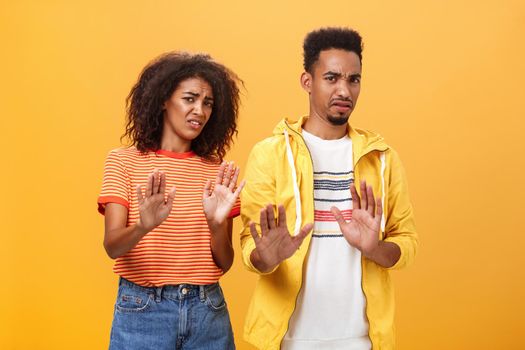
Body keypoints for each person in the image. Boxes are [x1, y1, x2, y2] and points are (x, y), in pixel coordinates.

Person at [240, 27, 418, 349]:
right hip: (289, 340)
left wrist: (373, 248)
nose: (344, 90)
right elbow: (249, 248)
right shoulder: (269, 154)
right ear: (307, 81)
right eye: (332, 78)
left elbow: (406, 240)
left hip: (363, 340)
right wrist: (267, 257)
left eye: (354, 79)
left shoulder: (382, 158)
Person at [97, 51, 244, 350]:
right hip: (142, 310)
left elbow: (225, 262)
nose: (200, 111)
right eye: (189, 98)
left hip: (208, 310)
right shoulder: (123, 162)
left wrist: (216, 224)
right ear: (164, 99)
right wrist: (143, 226)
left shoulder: (217, 171)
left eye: (208, 103)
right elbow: (112, 246)